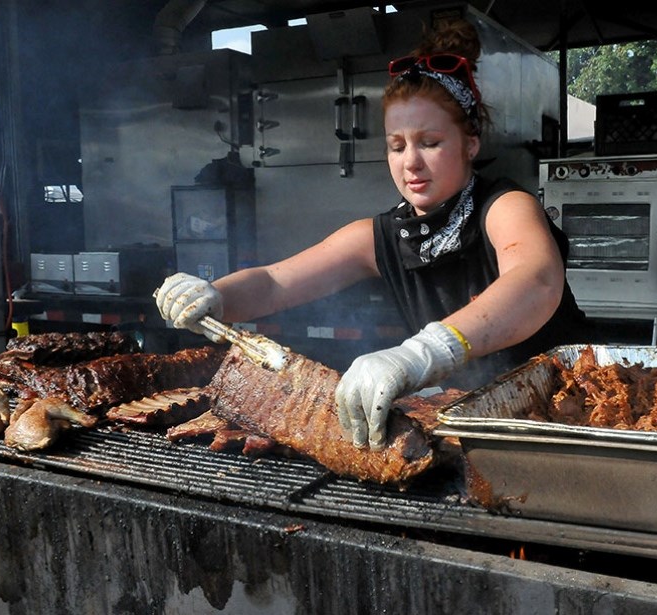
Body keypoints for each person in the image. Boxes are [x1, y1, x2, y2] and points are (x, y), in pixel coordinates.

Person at [156, 19, 587, 451]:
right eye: (397, 146)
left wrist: (428, 351)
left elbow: (535, 280)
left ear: (470, 143)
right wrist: (213, 296)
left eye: (430, 142)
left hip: (567, 412)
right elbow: (274, 282)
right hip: (466, 427)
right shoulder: (379, 236)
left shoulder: (506, 206)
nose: (411, 163)